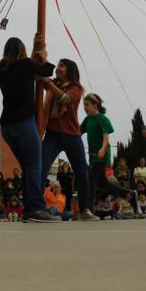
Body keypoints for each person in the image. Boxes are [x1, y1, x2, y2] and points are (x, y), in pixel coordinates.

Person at [0, 35, 60, 223]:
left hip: (7, 126)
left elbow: (27, 68)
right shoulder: (25, 64)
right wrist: (44, 56)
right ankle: (36, 209)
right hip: (24, 123)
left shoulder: (1, 69)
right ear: (22, 51)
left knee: (27, 166)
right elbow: (46, 70)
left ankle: (29, 210)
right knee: (33, 165)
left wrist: (33, 50)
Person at [40, 59, 98, 221]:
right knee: (41, 168)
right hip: (52, 134)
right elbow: (41, 80)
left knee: (82, 172)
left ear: (70, 70)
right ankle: (37, 207)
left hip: (71, 135)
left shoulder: (76, 88)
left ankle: (84, 210)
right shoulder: (53, 84)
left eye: (62, 66)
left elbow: (65, 99)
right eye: (58, 65)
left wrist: (48, 83)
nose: (58, 68)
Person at [81, 93, 133, 213]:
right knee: (102, 183)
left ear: (95, 105)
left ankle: (88, 210)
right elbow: (79, 132)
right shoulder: (87, 119)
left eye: (87, 105)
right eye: (84, 105)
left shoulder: (103, 119)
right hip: (93, 156)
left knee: (91, 180)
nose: (84, 107)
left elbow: (106, 138)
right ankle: (126, 193)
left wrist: (103, 149)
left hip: (102, 156)